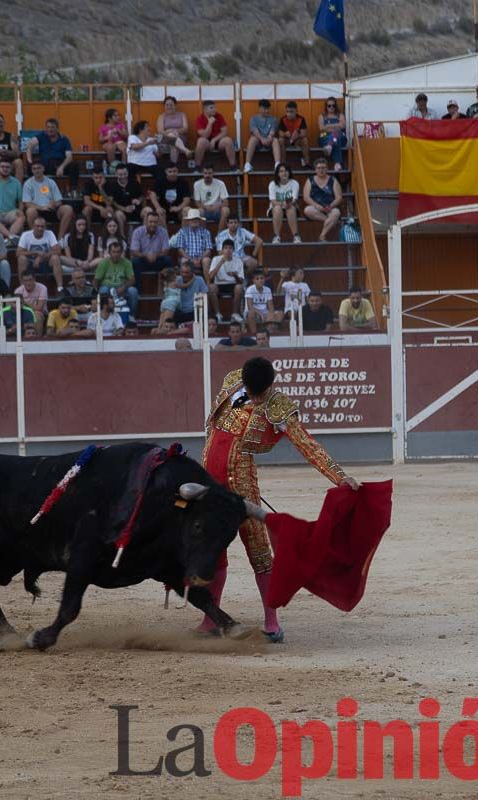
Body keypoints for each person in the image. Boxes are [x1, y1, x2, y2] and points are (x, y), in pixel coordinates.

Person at [197, 357, 360, 642]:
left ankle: (272, 623)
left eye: (260, 394)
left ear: (271, 386)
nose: (256, 398)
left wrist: (339, 477)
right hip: (210, 485)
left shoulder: (278, 406)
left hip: (242, 487)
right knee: (212, 551)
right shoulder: (232, 381)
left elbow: (307, 445)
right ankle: (210, 618)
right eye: (252, 391)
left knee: (259, 552)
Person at [22, 160, 75, 240]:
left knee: (68, 209)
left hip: (51, 210)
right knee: (30, 211)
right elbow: (27, 203)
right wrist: (42, 207)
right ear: (32, 170)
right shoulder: (28, 183)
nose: (37, 170)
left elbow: (59, 201)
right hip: (37, 211)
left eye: (39, 168)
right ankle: (35, 238)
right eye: (34, 168)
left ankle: (60, 239)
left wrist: (54, 204)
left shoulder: (51, 182)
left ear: (43, 169)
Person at [25, 118, 77, 190]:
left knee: (74, 166)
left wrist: (62, 167)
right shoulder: (42, 136)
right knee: (31, 166)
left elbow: (69, 157)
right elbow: (30, 146)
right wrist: (30, 161)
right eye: (48, 127)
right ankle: (32, 189)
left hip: (59, 164)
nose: (50, 129)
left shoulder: (64, 139)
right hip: (45, 165)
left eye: (52, 127)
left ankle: (73, 190)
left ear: (57, 128)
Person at [16, 216, 64, 292]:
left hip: (46, 263)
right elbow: (18, 253)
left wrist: (42, 256)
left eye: (42, 226)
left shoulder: (49, 233)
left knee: (55, 257)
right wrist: (35, 252)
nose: (40, 228)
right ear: (33, 226)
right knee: (21, 259)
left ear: (45, 227)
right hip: (30, 264)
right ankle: (22, 288)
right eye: (37, 226)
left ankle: (60, 288)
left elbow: (58, 251)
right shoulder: (26, 235)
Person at [94, 240, 139, 319]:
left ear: (121, 252)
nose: (116, 254)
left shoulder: (127, 263)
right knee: (103, 290)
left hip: (122, 286)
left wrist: (124, 287)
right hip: (107, 287)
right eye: (114, 252)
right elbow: (97, 280)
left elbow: (132, 280)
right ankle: (103, 314)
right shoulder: (103, 263)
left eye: (118, 252)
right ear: (109, 252)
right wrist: (95, 290)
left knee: (133, 291)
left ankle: (131, 316)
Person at [303, 158, 343, 241]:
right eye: (319, 168)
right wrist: (316, 206)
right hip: (316, 208)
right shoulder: (310, 180)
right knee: (307, 210)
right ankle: (332, 221)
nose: (321, 170)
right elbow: (306, 197)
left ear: (327, 169)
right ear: (315, 169)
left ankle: (322, 235)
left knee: (336, 213)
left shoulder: (333, 180)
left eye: (323, 168)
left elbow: (339, 197)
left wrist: (331, 206)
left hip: (331, 207)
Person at [206, 239, 245, 324]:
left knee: (239, 287)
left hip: (233, 284)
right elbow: (210, 277)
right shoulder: (216, 259)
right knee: (211, 287)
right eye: (226, 248)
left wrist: (234, 275)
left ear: (233, 250)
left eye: (230, 248)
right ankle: (218, 314)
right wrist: (220, 263)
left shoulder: (238, 261)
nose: (228, 250)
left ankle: (234, 314)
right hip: (219, 284)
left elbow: (241, 281)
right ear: (222, 249)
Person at [105, 164, 148, 234]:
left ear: (128, 173)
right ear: (116, 174)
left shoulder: (134, 183)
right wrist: (124, 209)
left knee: (148, 210)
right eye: (120, 175)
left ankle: (145, 237)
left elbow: (142, 196)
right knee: (118, 214)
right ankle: (122, 238)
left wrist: (138, 201)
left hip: (136, 210)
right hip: (122, 212)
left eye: (125, 174)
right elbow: (112, 202)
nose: (123, 177)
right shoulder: (112, 185)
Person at [194, 100, 236, 168]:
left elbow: (224, 132)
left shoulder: (219, 116)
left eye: (215, 107)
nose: (214, 109)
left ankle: (233, 166)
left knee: (228, 140)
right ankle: (197, 167)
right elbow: (205, 135)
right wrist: (210, 123)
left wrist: (214, 140)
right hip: (206, 142)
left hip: (218, 141)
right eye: (211, 108)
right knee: (201, 141)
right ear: (204, 109)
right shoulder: (199, 119)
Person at [129, 210, 170, 278]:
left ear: (158, 222)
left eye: (155, 222)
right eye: (150, 222)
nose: (153, 224)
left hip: (157, 260)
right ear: (146, 222)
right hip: (143, 260)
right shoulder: (137, 232)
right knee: (135, 261)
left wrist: (156, 255)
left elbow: (166, 251)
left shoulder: (163, 232)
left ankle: (168, 286)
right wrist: (146, 255)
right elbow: (134, 251)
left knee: (168, 260)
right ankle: (137, 287)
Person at [244, 99, 282, 173]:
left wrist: (269, 138)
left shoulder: (273, 119)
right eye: (264, 109)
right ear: (260, 108)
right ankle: (247, 164)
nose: (266, 111)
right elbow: (255, 131)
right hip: (258, 141)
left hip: (269, 141)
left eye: (268, 109)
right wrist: (261, 139)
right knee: (253, 139)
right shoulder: (253, 119)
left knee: (275, 140)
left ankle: (277, 165)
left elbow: (272, 131)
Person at [174, 208, 214, 275]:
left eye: (196, 219)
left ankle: (208, 283)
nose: (194, 221)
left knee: (206, 260)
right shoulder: (182, 232)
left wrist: (199, 259)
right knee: (184, 261)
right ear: (188, 221)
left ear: (199, 220)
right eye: (192, 219)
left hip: (201, 259)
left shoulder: (206, 232)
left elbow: (208, 250)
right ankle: (185, 284)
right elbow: (180, 250)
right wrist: (191, 260)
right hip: (187, 258)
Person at [268, 163, 302, 243]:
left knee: (291, 208)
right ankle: (276, 236)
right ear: (278, 174)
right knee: (277, 209)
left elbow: (294, 199)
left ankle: (296, 236)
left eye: (286, 171)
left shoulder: (294, 183)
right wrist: (283, 204)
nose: (284, 173)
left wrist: (288, 204)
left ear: (289, 172)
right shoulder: (272, 184)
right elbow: (273, 201)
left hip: (291, 206)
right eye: (281, 171)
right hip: (276, 208)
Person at [156, 96, 192, 164]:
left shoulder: (182, 115)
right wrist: (169, 133)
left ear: (175, 105)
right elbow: (160, 131)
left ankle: (172, 167)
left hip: (180, 139)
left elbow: (186, 129)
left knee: (174, 144)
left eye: (171, 105)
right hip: (165, 139)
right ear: (164, 106)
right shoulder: (161, 116)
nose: (169, 107)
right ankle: (185, 150)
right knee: (171, 136)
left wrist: (175, 131)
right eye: (167, 105)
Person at [243, 269, 281, 334]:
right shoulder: (249, 290)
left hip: (265, 312)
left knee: (280, 313)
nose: (260, 280)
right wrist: (260, 314)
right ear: (253, 281)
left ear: (264, 279)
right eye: (257, 279)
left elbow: (271, 306)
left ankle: (269, 332)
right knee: (250, 313)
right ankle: (254, 333)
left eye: (261, 278)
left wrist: (271, 315)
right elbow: (250, 307)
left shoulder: (268, 289)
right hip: (254, 312)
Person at [14, 269, 49, 334]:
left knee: (37, 316)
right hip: (23, 313)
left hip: (40, 313)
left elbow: (39, 308)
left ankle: (37, 339)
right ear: (22, 281)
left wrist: (24, 303)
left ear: (34, 279)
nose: (28, 283)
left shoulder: (42, 288)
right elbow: (17, 307)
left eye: (30, 280)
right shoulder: (18, 291)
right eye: (25, 281)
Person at [317, 97, 347, 171]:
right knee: (335, 138)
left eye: (333, 105)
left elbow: (342, 125)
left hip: (340, 137)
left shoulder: (340, 115)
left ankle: (330, 146)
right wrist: (336, 126)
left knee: (336, 135)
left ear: (335, 106)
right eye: (329, 106)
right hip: (325, 137)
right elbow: (321, 128)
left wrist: (327, 126)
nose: (331, 107)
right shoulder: (322, 116)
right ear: (326, 106)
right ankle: (337, 163)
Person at [174, 260, 208, 325]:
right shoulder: (176, 279)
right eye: (182, 272)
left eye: (187, 272)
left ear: (192, 272)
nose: (184, 275)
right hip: (179, 311)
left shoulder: (199, 280)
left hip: (194, 311)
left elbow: (205, 296)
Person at [279, 101, 311, 168]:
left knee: (305, 140)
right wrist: (285, 133)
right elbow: (280, 133)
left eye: (291, 112)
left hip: (297, 141)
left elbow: (304, 133)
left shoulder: (301, 119)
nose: (289, 114)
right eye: (287, 111)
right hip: (287, 140)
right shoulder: (283, 119)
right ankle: (283, 164)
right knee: (281, 140)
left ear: (296, 111)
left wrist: (296, 136)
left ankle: (307, 163)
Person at [153, 267, 181, 333]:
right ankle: (157, 331)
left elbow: (185, 285)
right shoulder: (165, 282)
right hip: (165, 302)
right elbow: (160, 295)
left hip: (172, 302)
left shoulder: (178, 279)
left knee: (164, 327)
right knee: (159, 326)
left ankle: (159, 331)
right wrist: (160, 280)